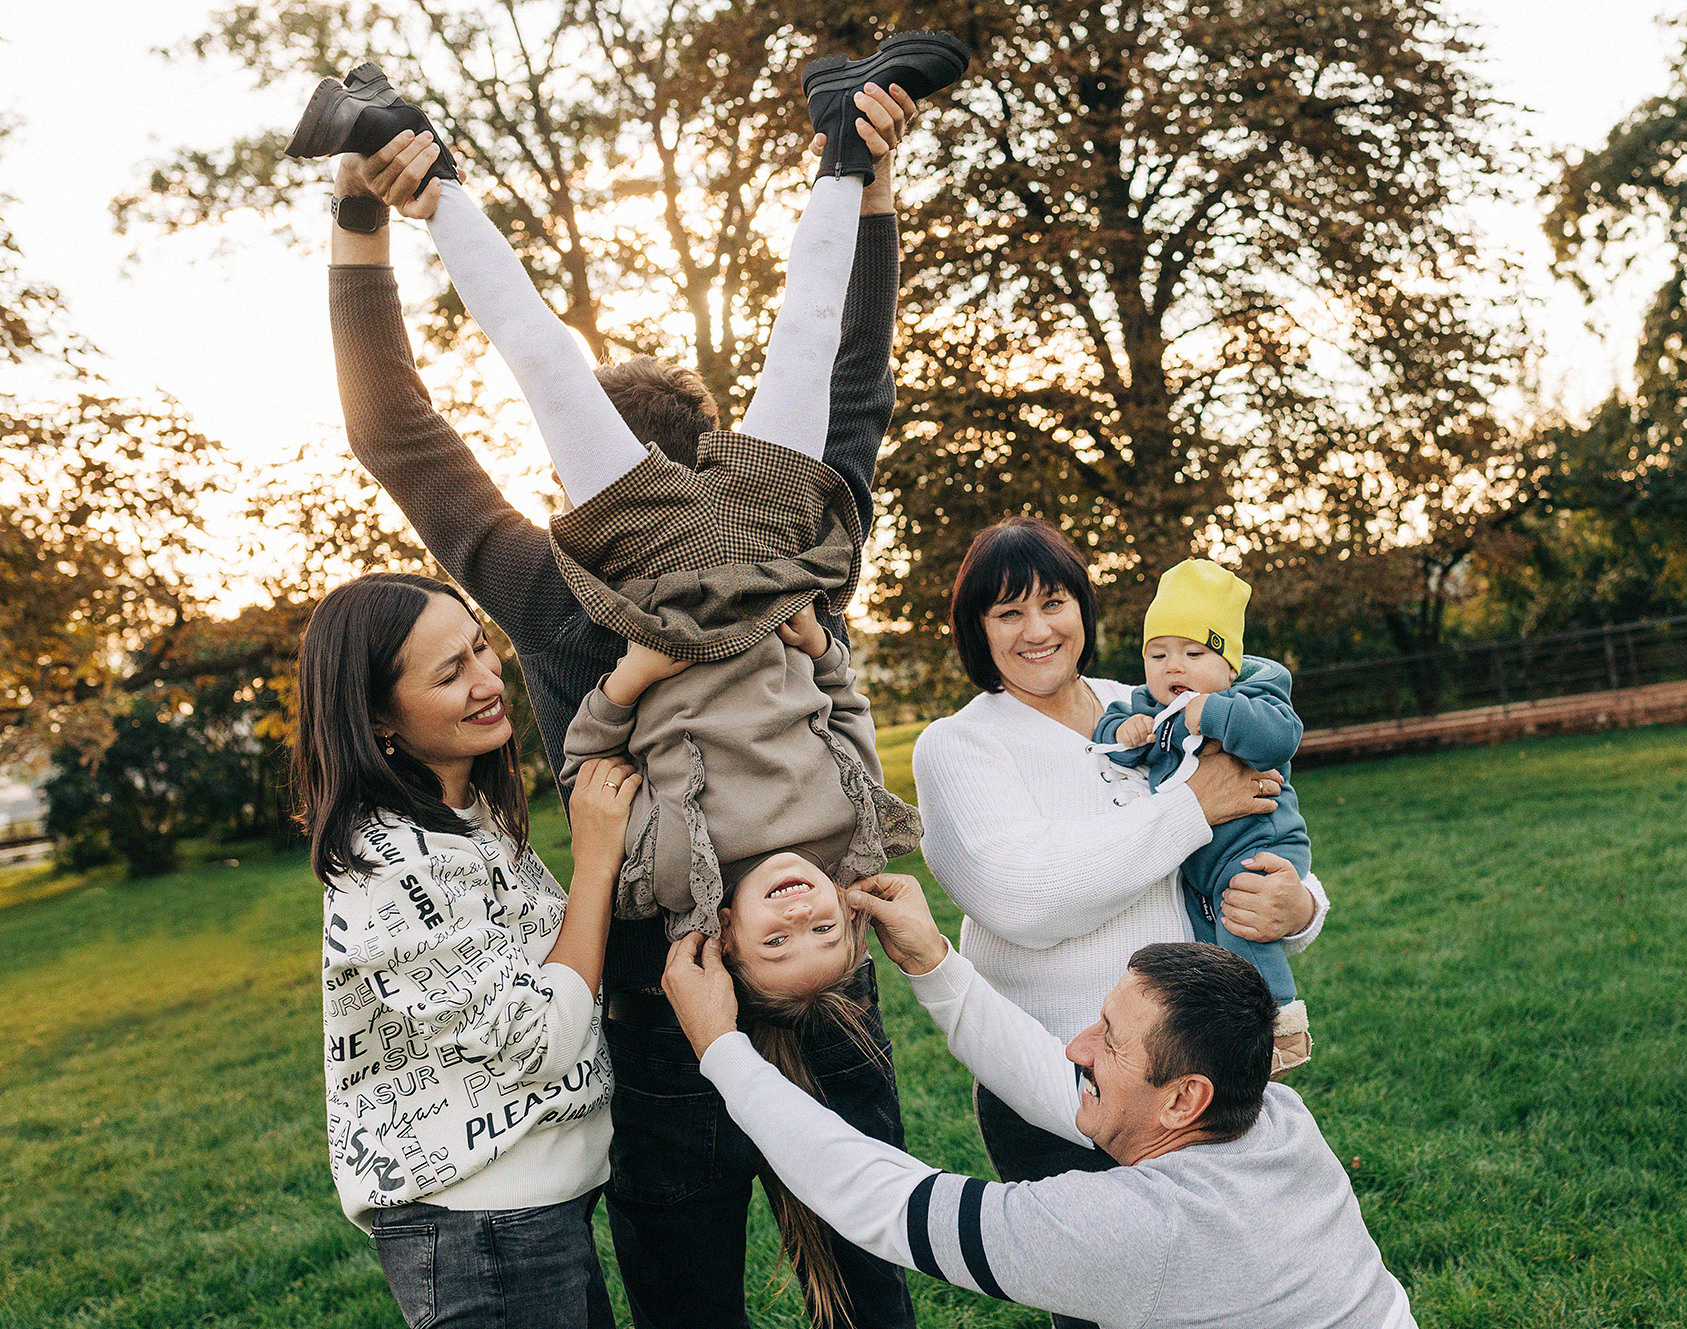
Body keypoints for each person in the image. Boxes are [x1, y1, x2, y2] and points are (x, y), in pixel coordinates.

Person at [307, 48, 931, 1329]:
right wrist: (866, 181)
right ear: (721, 462)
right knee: (869, 1279)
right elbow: (847, 382)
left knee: (688, 1301)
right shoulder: (800, 562)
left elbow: (394, 431)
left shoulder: (554, 590)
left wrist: (363, 220)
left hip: (663, 1004)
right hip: (822, 964)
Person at [657, 873, 1418, 1329]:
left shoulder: (1129, 1229)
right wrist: (933, 962)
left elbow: (885, 1202)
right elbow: (1061, 1085)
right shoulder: (1274, 1117)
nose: (1077, 1046)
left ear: (1186, 1096)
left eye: (1110, 1039)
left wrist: (722, 1047)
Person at [910, 516, 1329, 1315]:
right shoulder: (958, 747)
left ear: (1085, 607)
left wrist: (1302, 906)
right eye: (1007, 613)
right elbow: (1024, 897)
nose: (1038, 630)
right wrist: (1188, 811)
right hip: (1064, 1085)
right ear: (976, 630)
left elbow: (1257, 818)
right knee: (1117, 1305)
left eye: (1053, 601)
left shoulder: (1143, 701)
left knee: (1235, 1295)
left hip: (1199, 1066)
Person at [296, 571, 639, 1329]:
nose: (488, 680)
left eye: (482, 647)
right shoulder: (387, 864)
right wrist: (595, 862)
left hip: (532, 1210)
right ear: (379, 715)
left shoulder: (469, 816)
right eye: (451, 673)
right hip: (482, 1227)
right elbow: (536, 1036)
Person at [1091, 558, 1314, 1075]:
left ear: (1229, 666)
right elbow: (1109, 738)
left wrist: (1213, 713)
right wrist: (1124, 735)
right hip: (1194, 865)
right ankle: (1226, 1041)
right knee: (1207, 957)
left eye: (1194, 653)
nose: (1174, 667)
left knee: (1244, 924)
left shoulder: (1253, 695)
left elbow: (1281, 737)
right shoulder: (1145, 704)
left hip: (1256, 846)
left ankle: (1283, 1028)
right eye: (1158, 653)